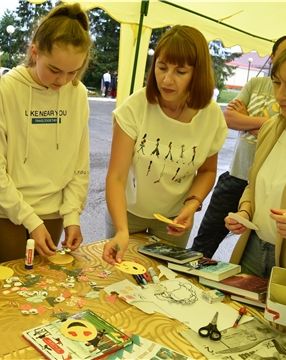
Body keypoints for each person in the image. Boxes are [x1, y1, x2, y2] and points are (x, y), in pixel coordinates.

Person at [102, 25, 228, 265]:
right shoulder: (135, 108)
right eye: (161, 68)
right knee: (121, 275)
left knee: (165, 281)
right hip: (127, 213)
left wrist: (192, 204)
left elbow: (208, 171)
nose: (166, 79)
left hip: (174, 219)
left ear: (197, 74)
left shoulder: (211, 116)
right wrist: (121, 230)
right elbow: (116, 177)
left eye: (180, 71)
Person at [0, 3, 92, 263]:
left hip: (54, 212)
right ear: (35, 52)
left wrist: (72, 217)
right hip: (7, 209)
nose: (62, 80)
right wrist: (31, 219)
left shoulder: (79, 95)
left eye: (72, 71)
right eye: (54, 69)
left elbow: (79, 165)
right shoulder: (6, 89)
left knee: (40, 288)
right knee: (11, 286)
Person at [191, 35, 286, 259]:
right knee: (204, 242)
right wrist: (268, 126)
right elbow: (229, 118)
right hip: (237, 176)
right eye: (284, 55)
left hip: (268, 185)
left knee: (259, 251)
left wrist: (247, 119)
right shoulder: (256, 84)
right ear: (273, 56)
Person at [225, 34, 286, 277]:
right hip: (252, 249)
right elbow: (254, 184)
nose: (280, 95)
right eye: (276, 82)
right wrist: (245, 211)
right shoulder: (271, 128)